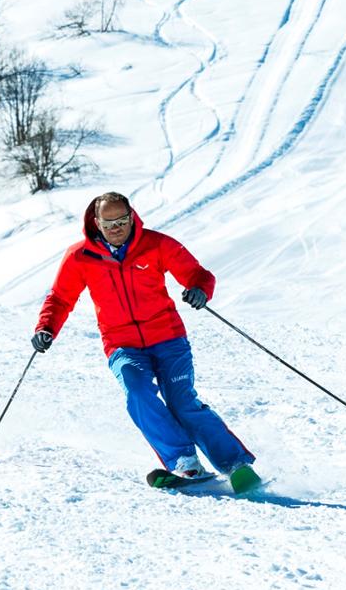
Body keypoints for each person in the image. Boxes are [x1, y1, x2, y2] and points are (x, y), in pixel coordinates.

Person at [31, 191, 260, 492]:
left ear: (131, 216)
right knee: (138, 393)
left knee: (181, 401)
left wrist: (199, 290)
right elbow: (60, 297)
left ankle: (234, 464)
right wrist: (46, 327)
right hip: (122, 344)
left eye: (121, 221)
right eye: (108, 222)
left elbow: (198, 274)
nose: (116, 228)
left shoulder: (156, 244)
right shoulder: (80, 257)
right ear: (96, 222)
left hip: (168, 338)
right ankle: (184, 462)